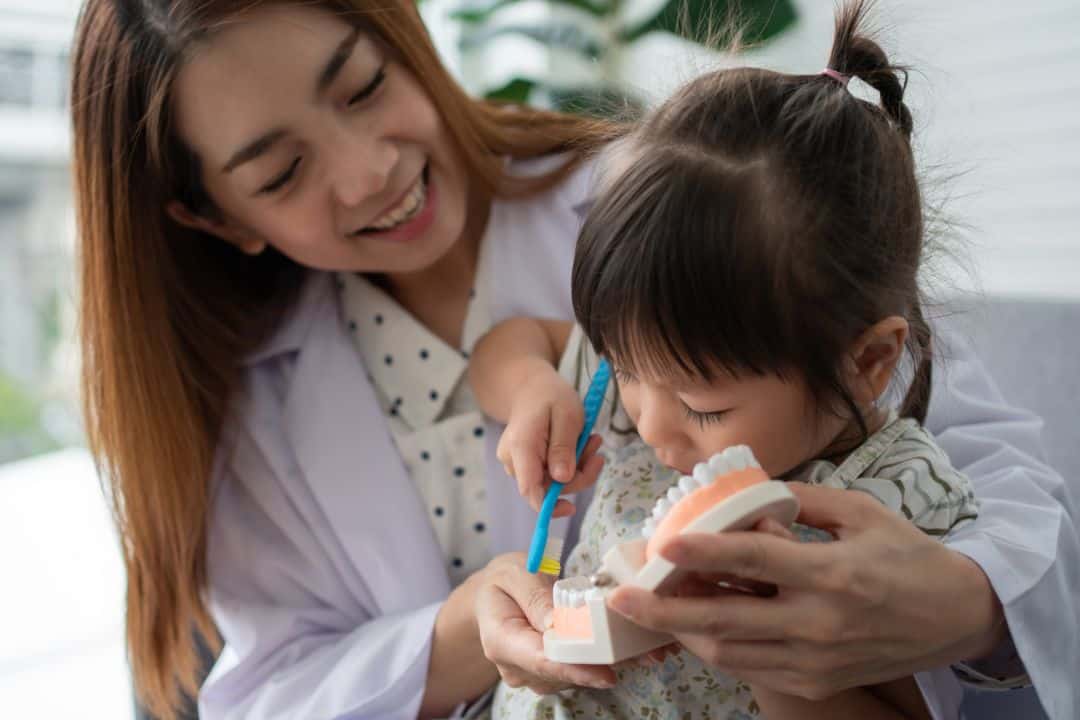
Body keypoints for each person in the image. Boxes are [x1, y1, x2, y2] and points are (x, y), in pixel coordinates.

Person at [68, 0, 1077, 718]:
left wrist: (957, 607)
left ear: (404, 37)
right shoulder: (248, 410)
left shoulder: (691, 205)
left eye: (365, 87)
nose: (369, 171)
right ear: (217, 217)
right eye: (283, 172)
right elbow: (263, 694)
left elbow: (1005, 495)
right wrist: (463, 635)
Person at [469, 5, 980, 716]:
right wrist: (532, 389)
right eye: (625, 368)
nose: (650, 426)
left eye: (702, 408)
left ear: (867, 361)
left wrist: (760, 644)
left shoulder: (895, 510)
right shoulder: (648, 374)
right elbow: (506, 343)